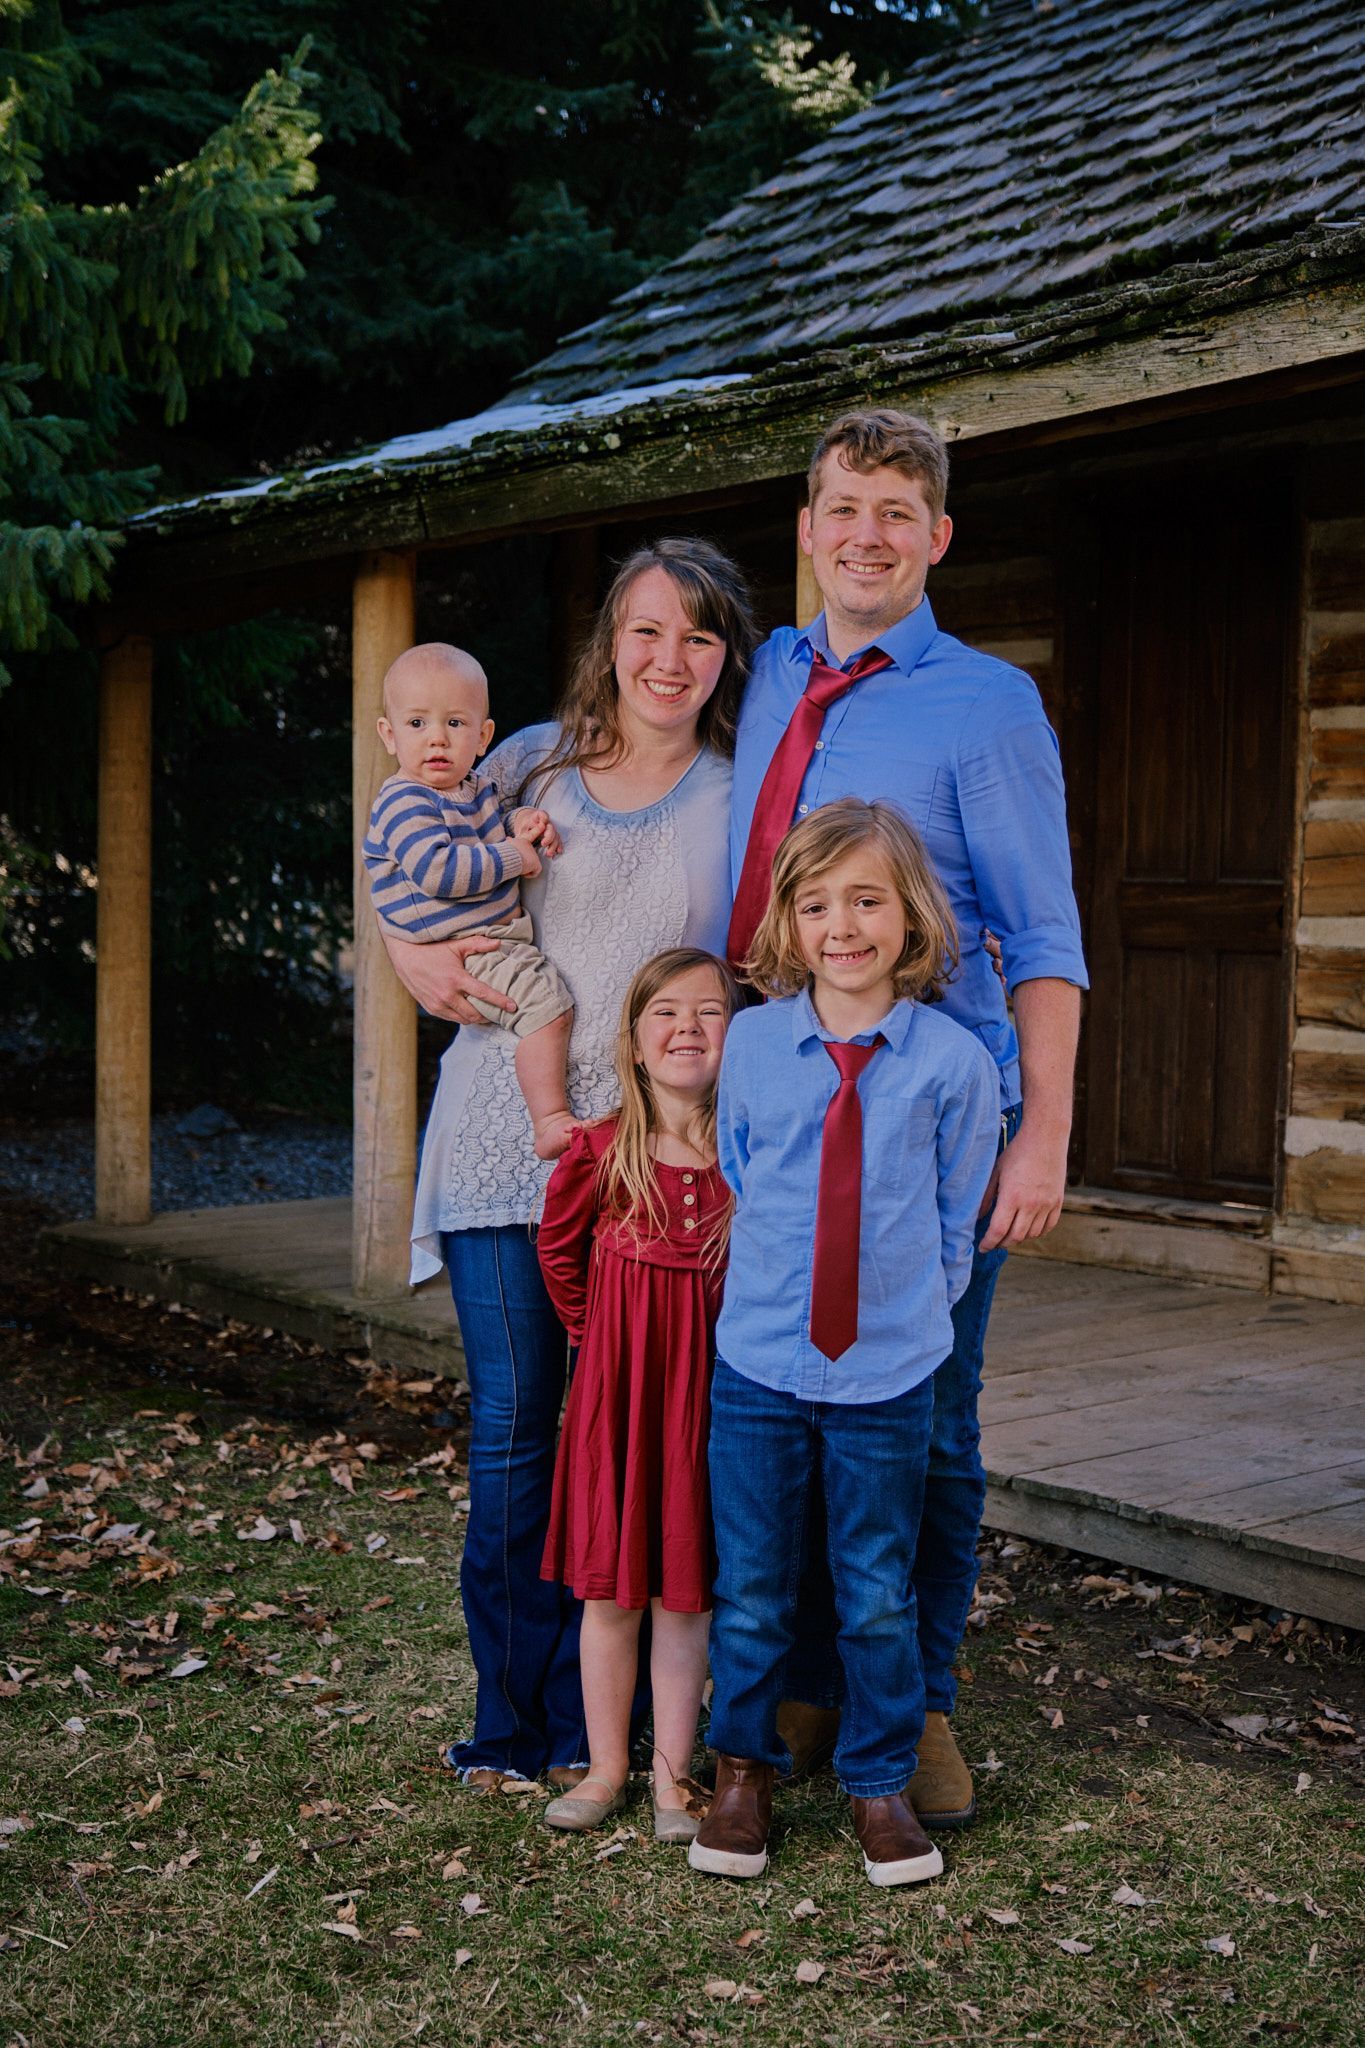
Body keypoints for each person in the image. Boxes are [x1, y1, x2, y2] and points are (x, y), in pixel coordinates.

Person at [728, 409, 1088, 1829]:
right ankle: (812, 1680)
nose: (863, 534)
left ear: (936, 537)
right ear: (807, 527)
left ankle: (919, 1694)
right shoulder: (766, 670)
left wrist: (1042, 1135)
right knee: (786, 1396)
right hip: (780, 1087)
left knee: (922, 1410)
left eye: (894, 511)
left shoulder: (988, 703)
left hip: (936, 1116)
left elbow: (1044, 934)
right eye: (840, 507)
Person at [382, 538, 759, 1791]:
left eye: (698, 637)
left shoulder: (741, 788)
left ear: (725, 656)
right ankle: (518, 1719)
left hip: (653, 1170)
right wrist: (400, 949)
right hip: (506, 1135)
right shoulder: (521, 755)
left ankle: (646, 1725)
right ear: (611, 638)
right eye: (647, 630)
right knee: (516, 1432)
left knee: (649, 1439)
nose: (669, 658)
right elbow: (406, 849)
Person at [690, 798, 999, 1887]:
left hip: (891, 1372)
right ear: (788, 920)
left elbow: (958, 1216)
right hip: (761, 1362)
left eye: (867, 899)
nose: (843, 924)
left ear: (910, 916)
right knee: (759, 1580)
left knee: (876, 1582)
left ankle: (877, 1778)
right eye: (816, 903)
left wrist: (906, 1321)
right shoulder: (757, 1044)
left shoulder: (954, 1062)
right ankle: (742, 1773)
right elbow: (742, 1170)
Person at [537, 948, 741, 1841]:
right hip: (617, 1404)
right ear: (632, 1038)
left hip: (708, 1400)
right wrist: (601, 1340)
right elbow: (558, 1253)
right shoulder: (600, 1149)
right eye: (665, 1012)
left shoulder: (750, 1154)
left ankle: (671, 1777)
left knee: (685, 1591)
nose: (687, 1028)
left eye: (709, 1012)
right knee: (610, 1593)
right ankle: (608, 1765)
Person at [364, 642, 577, 1160]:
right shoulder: (403, 800)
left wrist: (518, 825)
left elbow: (483, 832)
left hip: (491, 937)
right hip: (461, 944)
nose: (437, 737)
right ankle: (549, 1118)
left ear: (483, 737)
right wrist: (514, 856)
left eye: (455, 724)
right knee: (549, 1009)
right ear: (389, 735)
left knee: (546, 1002)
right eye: (417, 724)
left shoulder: (473, 789)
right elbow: (438, 870)